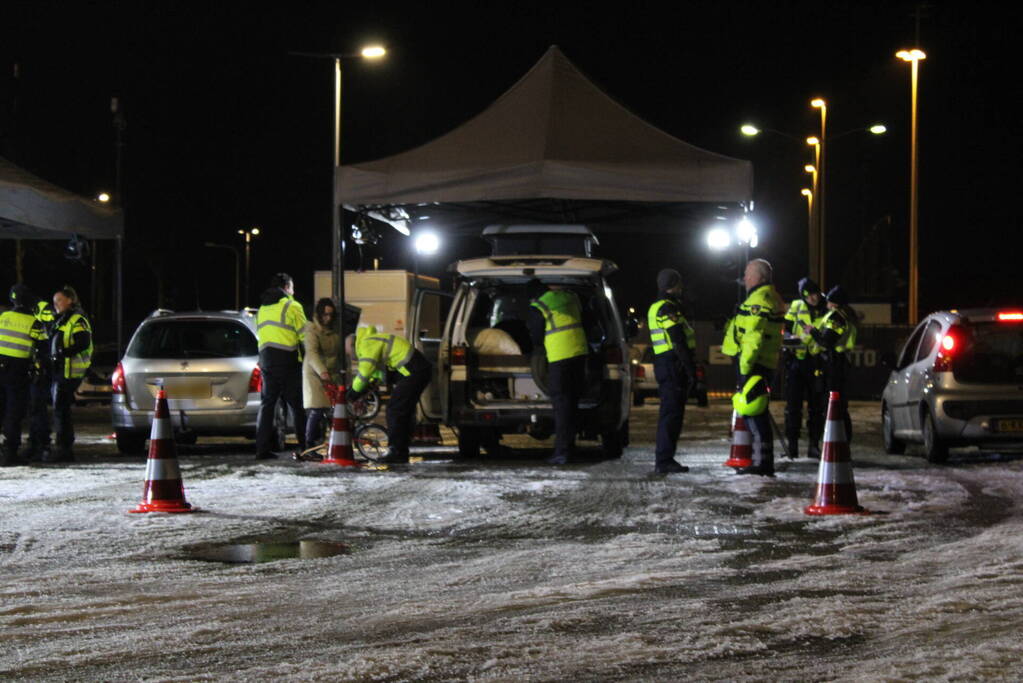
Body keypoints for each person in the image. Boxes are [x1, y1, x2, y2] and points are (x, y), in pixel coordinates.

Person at [346, 325, 432, 465]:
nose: (351, 357)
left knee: (395, 410)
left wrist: (353, 393)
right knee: (403, 411)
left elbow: (365, 373)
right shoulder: (371, 340)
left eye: (349, 353)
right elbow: (376, 374)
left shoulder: (366, 344)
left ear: (352, 345)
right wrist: (366, 388)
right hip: (417, 370)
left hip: (414, 371)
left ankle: (396, 451)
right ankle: (400, 451)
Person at [731, 259, 785, 476]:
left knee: (754, 413)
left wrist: (744, 370)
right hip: (761, 363)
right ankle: (761, 461)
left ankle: (762, 463)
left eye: (748, 273)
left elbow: (753, 339)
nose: (745, 278)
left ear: (759, 277)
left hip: (755, 365)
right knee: (756, 412)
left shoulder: (760, 300)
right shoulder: (766, 297)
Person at [526, 278, 588, 465]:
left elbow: (536, 338)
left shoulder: (540, 305)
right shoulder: (571, 298)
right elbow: (587, 318)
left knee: (561, 406)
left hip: (560, 357)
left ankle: (562, 452)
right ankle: (570, 447)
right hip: (580, 353)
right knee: (572, 403)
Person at [647, 269, 697, 474]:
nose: (682, 288)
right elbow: (677, 339)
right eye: (679, 284)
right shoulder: (667, 308)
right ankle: (664, 459)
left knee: (671, 413)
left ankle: (665, 458)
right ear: (673, 285)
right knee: (671, 414)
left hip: (666, 364)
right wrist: (690, 368)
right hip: (672, 365)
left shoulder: (657, 306)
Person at [255, 273, 307, 460]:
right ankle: (305, 447)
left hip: (267, 362)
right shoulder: (292, 306)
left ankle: (261, 449)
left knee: (267, 406)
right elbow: (305, 336)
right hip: (288, 361)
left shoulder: (262, 309)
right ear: (286, 287)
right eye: (292, 287)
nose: (293, 291)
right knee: (297, 406)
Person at [0, 285, 47, 466]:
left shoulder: (3, 317)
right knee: (14, 412)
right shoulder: (34, 322)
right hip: (17, 371)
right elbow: (43, 349)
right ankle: (10, 452)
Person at [46, 286, 93, 463]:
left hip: (70, 372)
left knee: (61, 410)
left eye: (59, 300)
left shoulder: (77, 319)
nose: (55, 304)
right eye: (54, 301)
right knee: (60, 410)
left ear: (70, 300)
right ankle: (63, 447)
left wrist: (63, 352)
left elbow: (83, 342)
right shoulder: (61, 319)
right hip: (61, 371)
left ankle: (64, 448)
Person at [782, 277, 827, 459]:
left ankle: (813, 445)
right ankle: (792, 446)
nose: (811, 299)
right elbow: (786, 328)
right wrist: (789, 337)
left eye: (813, 294)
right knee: (793, 406)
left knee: (816, 407)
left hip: (817, 361)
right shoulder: (796, 305)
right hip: (797, 361)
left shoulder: (827, 307)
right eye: (807, 296)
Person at [807, 285, 857, 442]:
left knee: (834, 404)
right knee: (837, 404)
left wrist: (812, 331)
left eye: (829, 301)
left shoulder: (837, 317)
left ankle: (839, 440)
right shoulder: (844, 314)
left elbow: (827, 341)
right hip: (836, 363)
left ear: (835, 303)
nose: (826, 304)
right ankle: (840, 440)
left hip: (834, 364)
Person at [302, 297, 341, 448]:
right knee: (317, 409)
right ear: (319, 314)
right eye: (325, 314)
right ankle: (309, 445)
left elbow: (338, 354)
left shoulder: (335, 330)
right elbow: (312, 353)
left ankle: (333, 443)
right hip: (314, 374)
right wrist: (323, 372)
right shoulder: (312, 330)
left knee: (334, 410)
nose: (328, 318)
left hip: (330, 374)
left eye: (331, 315)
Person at [23, 296, 56, 461]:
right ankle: (35, 444)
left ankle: (42, 446)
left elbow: (43, 346)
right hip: (38, 371)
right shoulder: (39, 314)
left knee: (37, 409)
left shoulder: (42, 315)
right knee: (34, 410)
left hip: (40, 372)